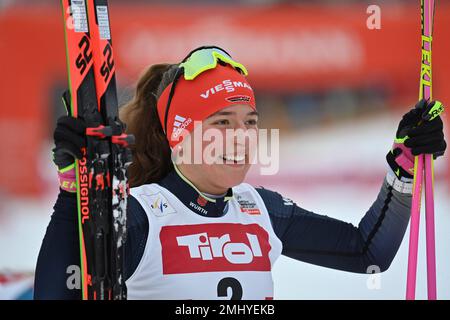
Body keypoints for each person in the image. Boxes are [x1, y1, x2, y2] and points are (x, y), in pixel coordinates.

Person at [34, 46, 446, 300]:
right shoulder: (141, 214)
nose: (242, 137)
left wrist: (404, 166)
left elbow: (367, 253)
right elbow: (58, 294)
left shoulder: (260, 210)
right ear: (181, 135)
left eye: (250, 122)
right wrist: (73, 193)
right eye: (222, 123)